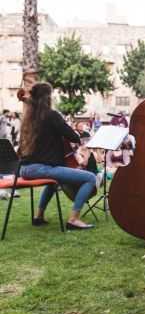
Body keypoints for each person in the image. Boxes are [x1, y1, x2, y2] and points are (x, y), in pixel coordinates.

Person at [18, 82, 96, 230]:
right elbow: (73, 136)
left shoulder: (28, 118)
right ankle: (74, 219)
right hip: (40, 168)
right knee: (90, 178)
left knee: (54, 181)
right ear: (47, 98)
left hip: (23, 170)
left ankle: (38, 216)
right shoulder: (51, 115)